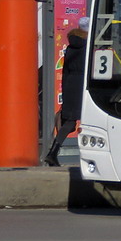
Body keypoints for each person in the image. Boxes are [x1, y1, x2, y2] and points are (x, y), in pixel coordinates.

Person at [44, 27, 87, 167]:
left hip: (70, 86)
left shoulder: (69, 49)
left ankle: (53, 152)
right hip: (83, 85)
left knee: (70, 122)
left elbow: (65, 72)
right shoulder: (86, 48)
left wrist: (65, 92)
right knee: (91, 120)